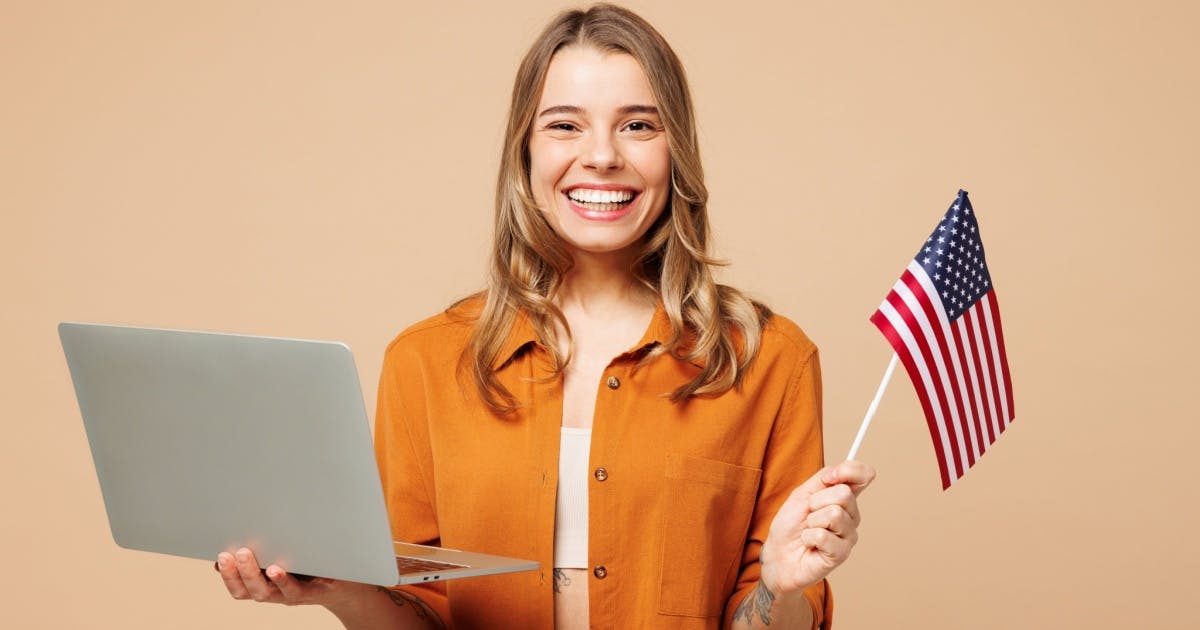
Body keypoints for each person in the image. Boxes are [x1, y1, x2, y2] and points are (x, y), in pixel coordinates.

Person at [215, 4, 875, 629]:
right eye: (565, 124)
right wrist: (339, 588)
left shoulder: (769, 359)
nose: (602, 156)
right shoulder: (422, 363)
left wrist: (781, 586)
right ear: (524, 152)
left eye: (638, 125)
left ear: (677, 152)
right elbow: (417, 612)